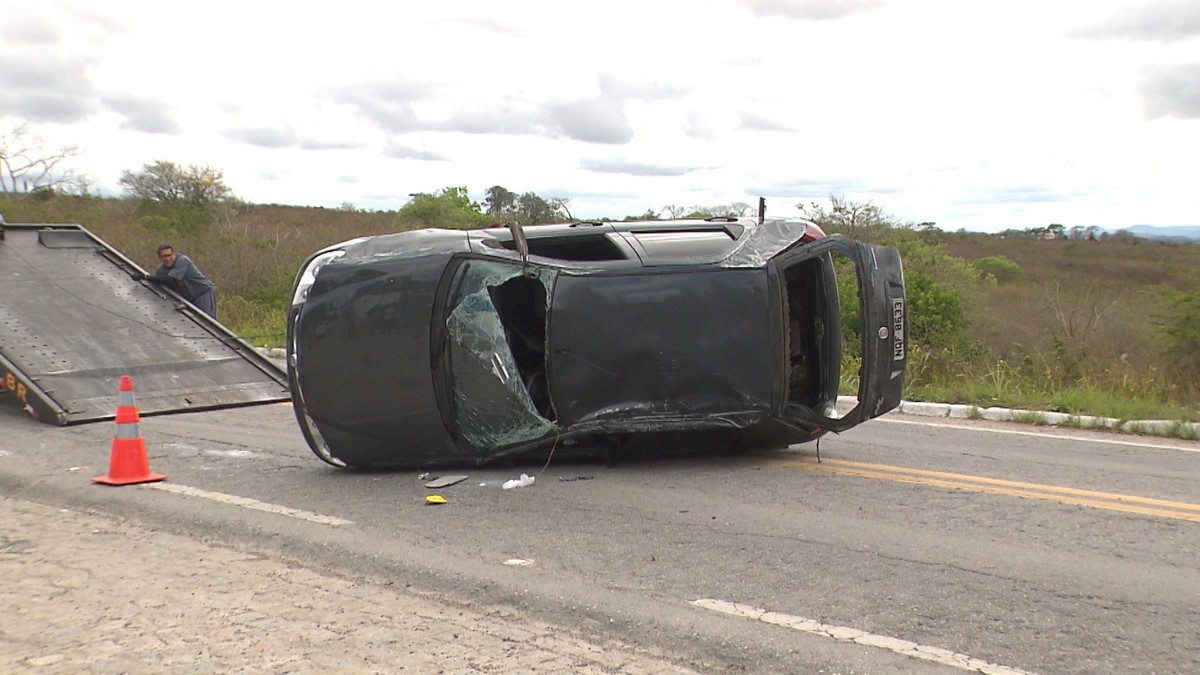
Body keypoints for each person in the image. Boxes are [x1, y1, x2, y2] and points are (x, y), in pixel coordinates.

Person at [136, 243, 218, 320]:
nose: (168, 259)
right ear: (160, 258)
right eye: (164, 256)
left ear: (173, 254)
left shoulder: (182, 261)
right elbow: (159, 283)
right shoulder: (161, 269)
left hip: (203, 293)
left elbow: (170, 279)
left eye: (169, 255)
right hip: (189, 299)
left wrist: (145, 277)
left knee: (207, 321)